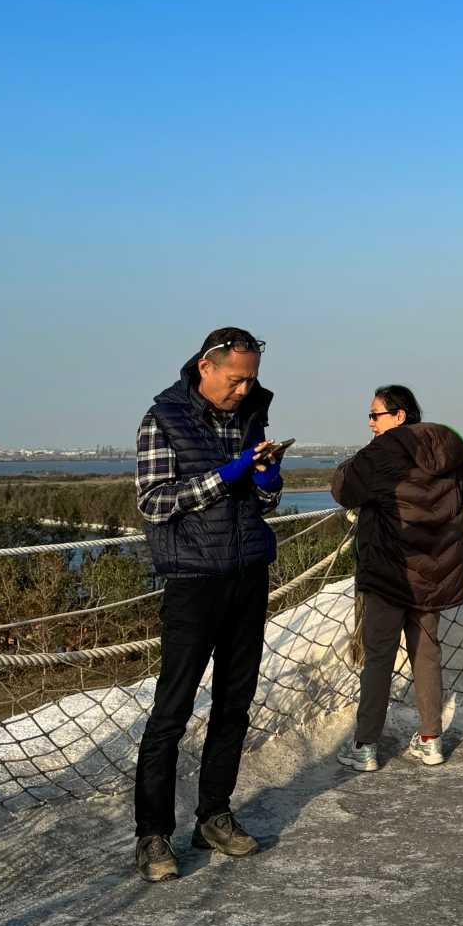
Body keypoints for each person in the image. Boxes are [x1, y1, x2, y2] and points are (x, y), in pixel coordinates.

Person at [130, 326, 286, 883]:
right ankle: (153, 835)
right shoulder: (163, 419)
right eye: (235, 379)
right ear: (205, 366)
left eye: (251, 380)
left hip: (247, 573)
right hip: (193, 580)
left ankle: (213, 815)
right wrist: (223, 476)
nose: (243, 390)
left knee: (234, 704)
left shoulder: (250, 415)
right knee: (171, 713)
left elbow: (263, 501)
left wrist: (266, 476)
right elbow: (153, 503)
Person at [330, 385, 463, 771]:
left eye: (374, 414)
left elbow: (343, 490)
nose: (370, 422)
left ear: (399, 416)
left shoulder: (381, 452)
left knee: (379, 657)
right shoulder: (447, 448)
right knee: (427, 651)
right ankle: (431, 740)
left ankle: (365, 746)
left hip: (390, 569)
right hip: (436, 568)